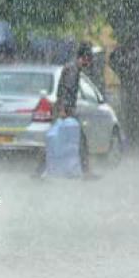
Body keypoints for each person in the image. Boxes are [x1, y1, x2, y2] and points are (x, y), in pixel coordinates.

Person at [53, 42, 97, 179]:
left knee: (57, 140)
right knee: (80, 141)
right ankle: (86, 172)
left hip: (65, 110)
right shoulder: (73, 70)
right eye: (88, 60)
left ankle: (41, 171)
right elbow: (66, 90)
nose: (89, 63)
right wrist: (63, 110)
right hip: (67, 111)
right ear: (84, 57)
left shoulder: (72, 68)